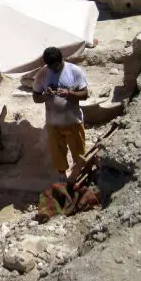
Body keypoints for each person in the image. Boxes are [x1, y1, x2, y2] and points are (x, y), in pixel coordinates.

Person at [32, 47, 89, 183]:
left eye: (56, 65)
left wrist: (69, 93)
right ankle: (62, 177)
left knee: (79, 153)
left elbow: (85, 94)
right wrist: (45, 96)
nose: (54, 69)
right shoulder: (42, 74)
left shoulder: (74, 71)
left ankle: (81, 177)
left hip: (73, 121)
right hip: (53, 124)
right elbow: (36, 97)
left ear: (61, 59)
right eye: (51, 66)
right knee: (57, 154)